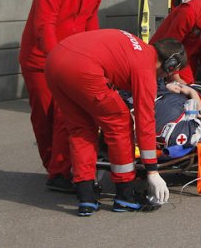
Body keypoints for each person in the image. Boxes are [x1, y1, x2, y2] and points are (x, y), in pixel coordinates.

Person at [46, 30, 185, 216]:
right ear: (170, 65)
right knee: (120, 122)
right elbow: (145, 121)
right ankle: (124, 196)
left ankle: (86, 197)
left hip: (54, 61)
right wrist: (152, 171)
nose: (163, 79)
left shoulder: (137, 48)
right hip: (84, 68)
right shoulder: (145, 66)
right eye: (169, 74)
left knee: (81, 129)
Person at [19, 0, 105, 193]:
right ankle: (54, 168)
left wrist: (94, 57)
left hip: (70, 62)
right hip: (40, 61)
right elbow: (44, 25)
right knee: (44, 116)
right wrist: (57, 58)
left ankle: (60, 171)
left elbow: (91, 23)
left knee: (65, 115)